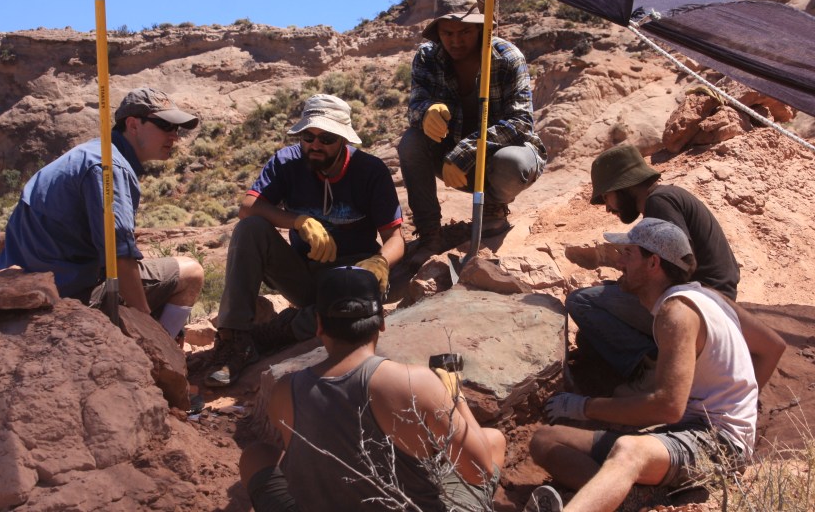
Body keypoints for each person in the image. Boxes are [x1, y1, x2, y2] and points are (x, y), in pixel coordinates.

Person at [530, 218, 759, 512]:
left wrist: (583, 407)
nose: (619, 262)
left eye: (628, 254)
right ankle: (635, 501)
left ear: (653, 263)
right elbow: (772, 346)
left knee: (629, 450)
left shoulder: (677, 312)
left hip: (718, 444)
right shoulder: (702, 297)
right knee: (545, 440)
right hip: (689, 431)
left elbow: (668, 407)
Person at [238, 266, 506, 511]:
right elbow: (478, 472)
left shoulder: (285, 389)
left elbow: (307, 463)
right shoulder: (415, 382)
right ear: (382, 322)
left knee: (256, 456)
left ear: (319, 325)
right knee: (492, 441)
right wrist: (455, 397)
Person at [206, 94, 405, 387]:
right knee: (250, 228)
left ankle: (278, 331)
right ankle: (234, 339)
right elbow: (248, 207)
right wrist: (297, 221)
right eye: (308, 137)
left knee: (354, 314)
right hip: (303, 274)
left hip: (353, 276)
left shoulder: (370, 171)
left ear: (343, 139)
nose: (315, 145)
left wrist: (380, 261)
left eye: (326, 138)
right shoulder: (286, 162)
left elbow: (396, 238)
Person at [566, 144, 784, 388]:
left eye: (607, 196)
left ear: (623, 187)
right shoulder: (667, 197)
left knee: (581, 301)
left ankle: (649, 367)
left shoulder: (659, 203)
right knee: (599, 315)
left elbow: (676, 264)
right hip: (714, 298)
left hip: (697, 306)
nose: (608, 207)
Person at [0, 87, 204, 338]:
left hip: (25, 287)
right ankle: (160, 348)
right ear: (133, 124)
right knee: (191, 272)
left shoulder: (90, 154)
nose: (174, 136)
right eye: (165, 125)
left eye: (176, 129)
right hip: (68, 296)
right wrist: (147, 325)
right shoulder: (110, 167)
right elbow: (119, 256)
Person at [398, 0, 547, 265]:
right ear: (438, 32)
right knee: (411, 143)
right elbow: (415, 106)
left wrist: (465, 151)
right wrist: (426, 112)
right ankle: (430, 233)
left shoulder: (507, 57)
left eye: (464, 31)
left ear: (480, 28)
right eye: (448, 33)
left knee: (513, 161)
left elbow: (521, 122)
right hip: (452, 163)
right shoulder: (427, 57)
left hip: (495, 161)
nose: (456, 40)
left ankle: (493, 210)